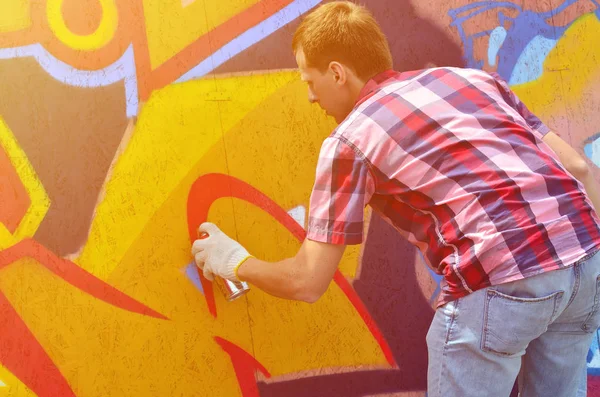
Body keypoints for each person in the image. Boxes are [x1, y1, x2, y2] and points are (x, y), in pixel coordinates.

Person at [191, 2, 600, 396]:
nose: (311, 98)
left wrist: (234, 262)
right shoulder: (473, 81)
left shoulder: (351, 139)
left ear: (336, 73)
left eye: (308, 81)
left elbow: (307, 281)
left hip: (499, 275)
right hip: (584, 261)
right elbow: (579, 170)